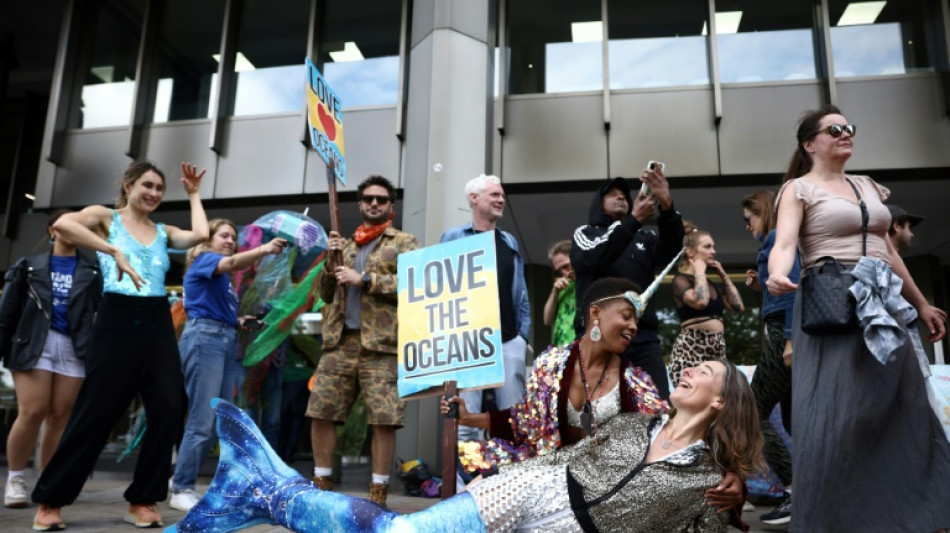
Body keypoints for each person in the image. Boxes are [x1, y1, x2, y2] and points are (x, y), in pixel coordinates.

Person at [168, 359, 764, 533]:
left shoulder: (704, 483)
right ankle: (265, 492)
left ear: (721, 402)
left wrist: (732, 505)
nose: (687, 371)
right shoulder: (637, 422)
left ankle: (256, 488)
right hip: (533, 487)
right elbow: (560, 454)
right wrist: (499, 481)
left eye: (705, 370)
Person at [767, 105, 950, 532]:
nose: (846, 133)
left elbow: (887, 251)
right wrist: (778, 272)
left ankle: (908, 514)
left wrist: (921, 304)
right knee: (838, 414)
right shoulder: (798, 189)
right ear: (810, 144)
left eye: (849, 127)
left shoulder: (868, 186)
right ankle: (834, 520)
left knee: (902, 407)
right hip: (834, 305)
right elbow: (785, 242)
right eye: (835, 129)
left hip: (883, 304)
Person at [443, 277, 743, 518]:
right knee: (464, 505)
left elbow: (680, 430)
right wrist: (467, 416)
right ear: (595, 313)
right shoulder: (551, 364)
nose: (633, 326)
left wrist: (733, 475)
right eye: (626, 316)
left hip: (596, 501)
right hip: (539, 478)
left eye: (636, 320)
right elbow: (525, 421)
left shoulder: (635, 384)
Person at [30, 161, 210, 530]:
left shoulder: (163, 230)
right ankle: (51, 500)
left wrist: (193, 194)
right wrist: (112, 251)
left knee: (168, 407)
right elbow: (63, 224)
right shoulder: (105, 218)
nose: (154, 193)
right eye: (147, 185)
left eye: (160, 188)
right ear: (128, 186)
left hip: (157, 320)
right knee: (96, 412)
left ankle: (143, 500)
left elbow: (200, 235)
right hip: (117, 320)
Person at [306, 175, 419, 506]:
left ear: (391, 207)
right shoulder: (345, 243)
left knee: (384, 418)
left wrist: (365, 278)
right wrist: (331, 262)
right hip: (339, 341)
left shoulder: (404, 242)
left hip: (382, 345)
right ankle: (322, 486)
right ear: (359, 204)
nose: (374, 203)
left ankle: (378, 494)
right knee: (321, 412)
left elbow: (415, 282)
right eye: (368, 198)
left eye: (381, 199)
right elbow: (325, 295)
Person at [169, 218, 286, 512]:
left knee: (222, 419)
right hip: (205, 340)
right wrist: (264, 250)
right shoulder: (206, 260)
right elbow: (232, 262)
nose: (230, 240)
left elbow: (213, 307)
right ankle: (181, 486)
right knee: (202, 421)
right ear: (207, 240)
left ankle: (193, 483)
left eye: (233, 236)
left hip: (221, 339)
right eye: (224, 235)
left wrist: (238, 320)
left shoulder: (219, 277)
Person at [1, 211, 102, 509]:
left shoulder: (92, 270)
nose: (73, 230)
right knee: (32, 411)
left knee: (59, 416)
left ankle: (48, 481)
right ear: (52, 231)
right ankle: (16, 479)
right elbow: (7, 313)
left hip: (74, 347)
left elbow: (99, 312)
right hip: (35, 343)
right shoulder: (29, 265)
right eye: (65, 225)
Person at [571, 166, 684, 399]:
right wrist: (632, 221)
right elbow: (593, 258)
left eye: (624, 195)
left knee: (657, 406)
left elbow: (671, 252)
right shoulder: (586, 233)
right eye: (612, 194)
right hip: (598, 337)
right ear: (598, 203)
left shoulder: (645, 236)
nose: (621, 197)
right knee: (597, 409)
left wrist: (667, 205)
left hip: (642, 338)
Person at [440, 174, 530, 440]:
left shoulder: (509, 242)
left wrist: (522, 336)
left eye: (502, 195)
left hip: (507, 340)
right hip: (469, 342)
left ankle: (514, 478)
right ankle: (468, 479)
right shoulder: (453, 237)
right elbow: (437, 287)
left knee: (514, 418)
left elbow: (521, 291)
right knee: (466, 421)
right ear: (474, 198)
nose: (501, 200)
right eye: (494, 195)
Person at [740, 190, 798, 525]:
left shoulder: (777, 238)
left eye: (748, 218)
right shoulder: (779, 241)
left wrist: (789, 339)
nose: (747, 226)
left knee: (751, 411)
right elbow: (782, 290)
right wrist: (760, 287)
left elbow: (793, 291)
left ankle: (794, 491)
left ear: (762, 211)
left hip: (782, 335)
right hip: (782, 332)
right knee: (794, 420)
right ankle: (814, 488)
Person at [668, 227, 744, 386]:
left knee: (718, 400)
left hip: (717, 350)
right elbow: (701, 302)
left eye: (713, 246)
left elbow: (738, 308)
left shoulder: (711, 285)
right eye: (707, 247)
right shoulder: (680, 280)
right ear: (690, 252)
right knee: (692, 397)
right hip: (690, 350)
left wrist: (723, 276)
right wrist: (700, 271)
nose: (713, 251)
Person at [542, 239, 576, 348]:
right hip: (561, 350)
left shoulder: (590, 281)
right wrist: (554, 291)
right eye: (560, 270)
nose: (565, 273)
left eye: (566, 266)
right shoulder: (563, 286)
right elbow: (547, 320)